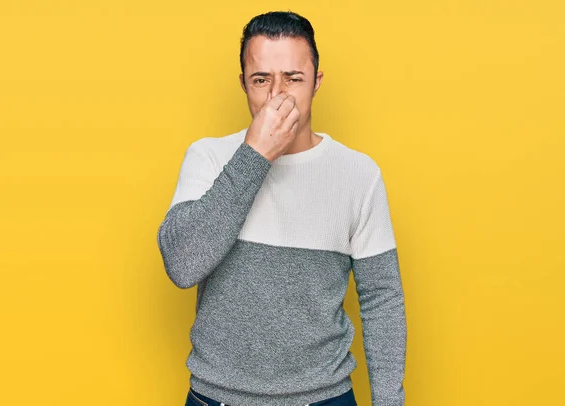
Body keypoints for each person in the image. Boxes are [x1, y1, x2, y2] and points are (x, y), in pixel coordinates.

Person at [156, 10, 407, 406]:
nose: (278, 95)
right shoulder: (207, 157)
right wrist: (255, 154)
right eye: (261, 80)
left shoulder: (359, 174)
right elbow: (183, 265)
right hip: (215, 398)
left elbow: (382, 298)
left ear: (316, 82)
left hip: (325, 397)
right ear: (243, 84)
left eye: (293, 78)